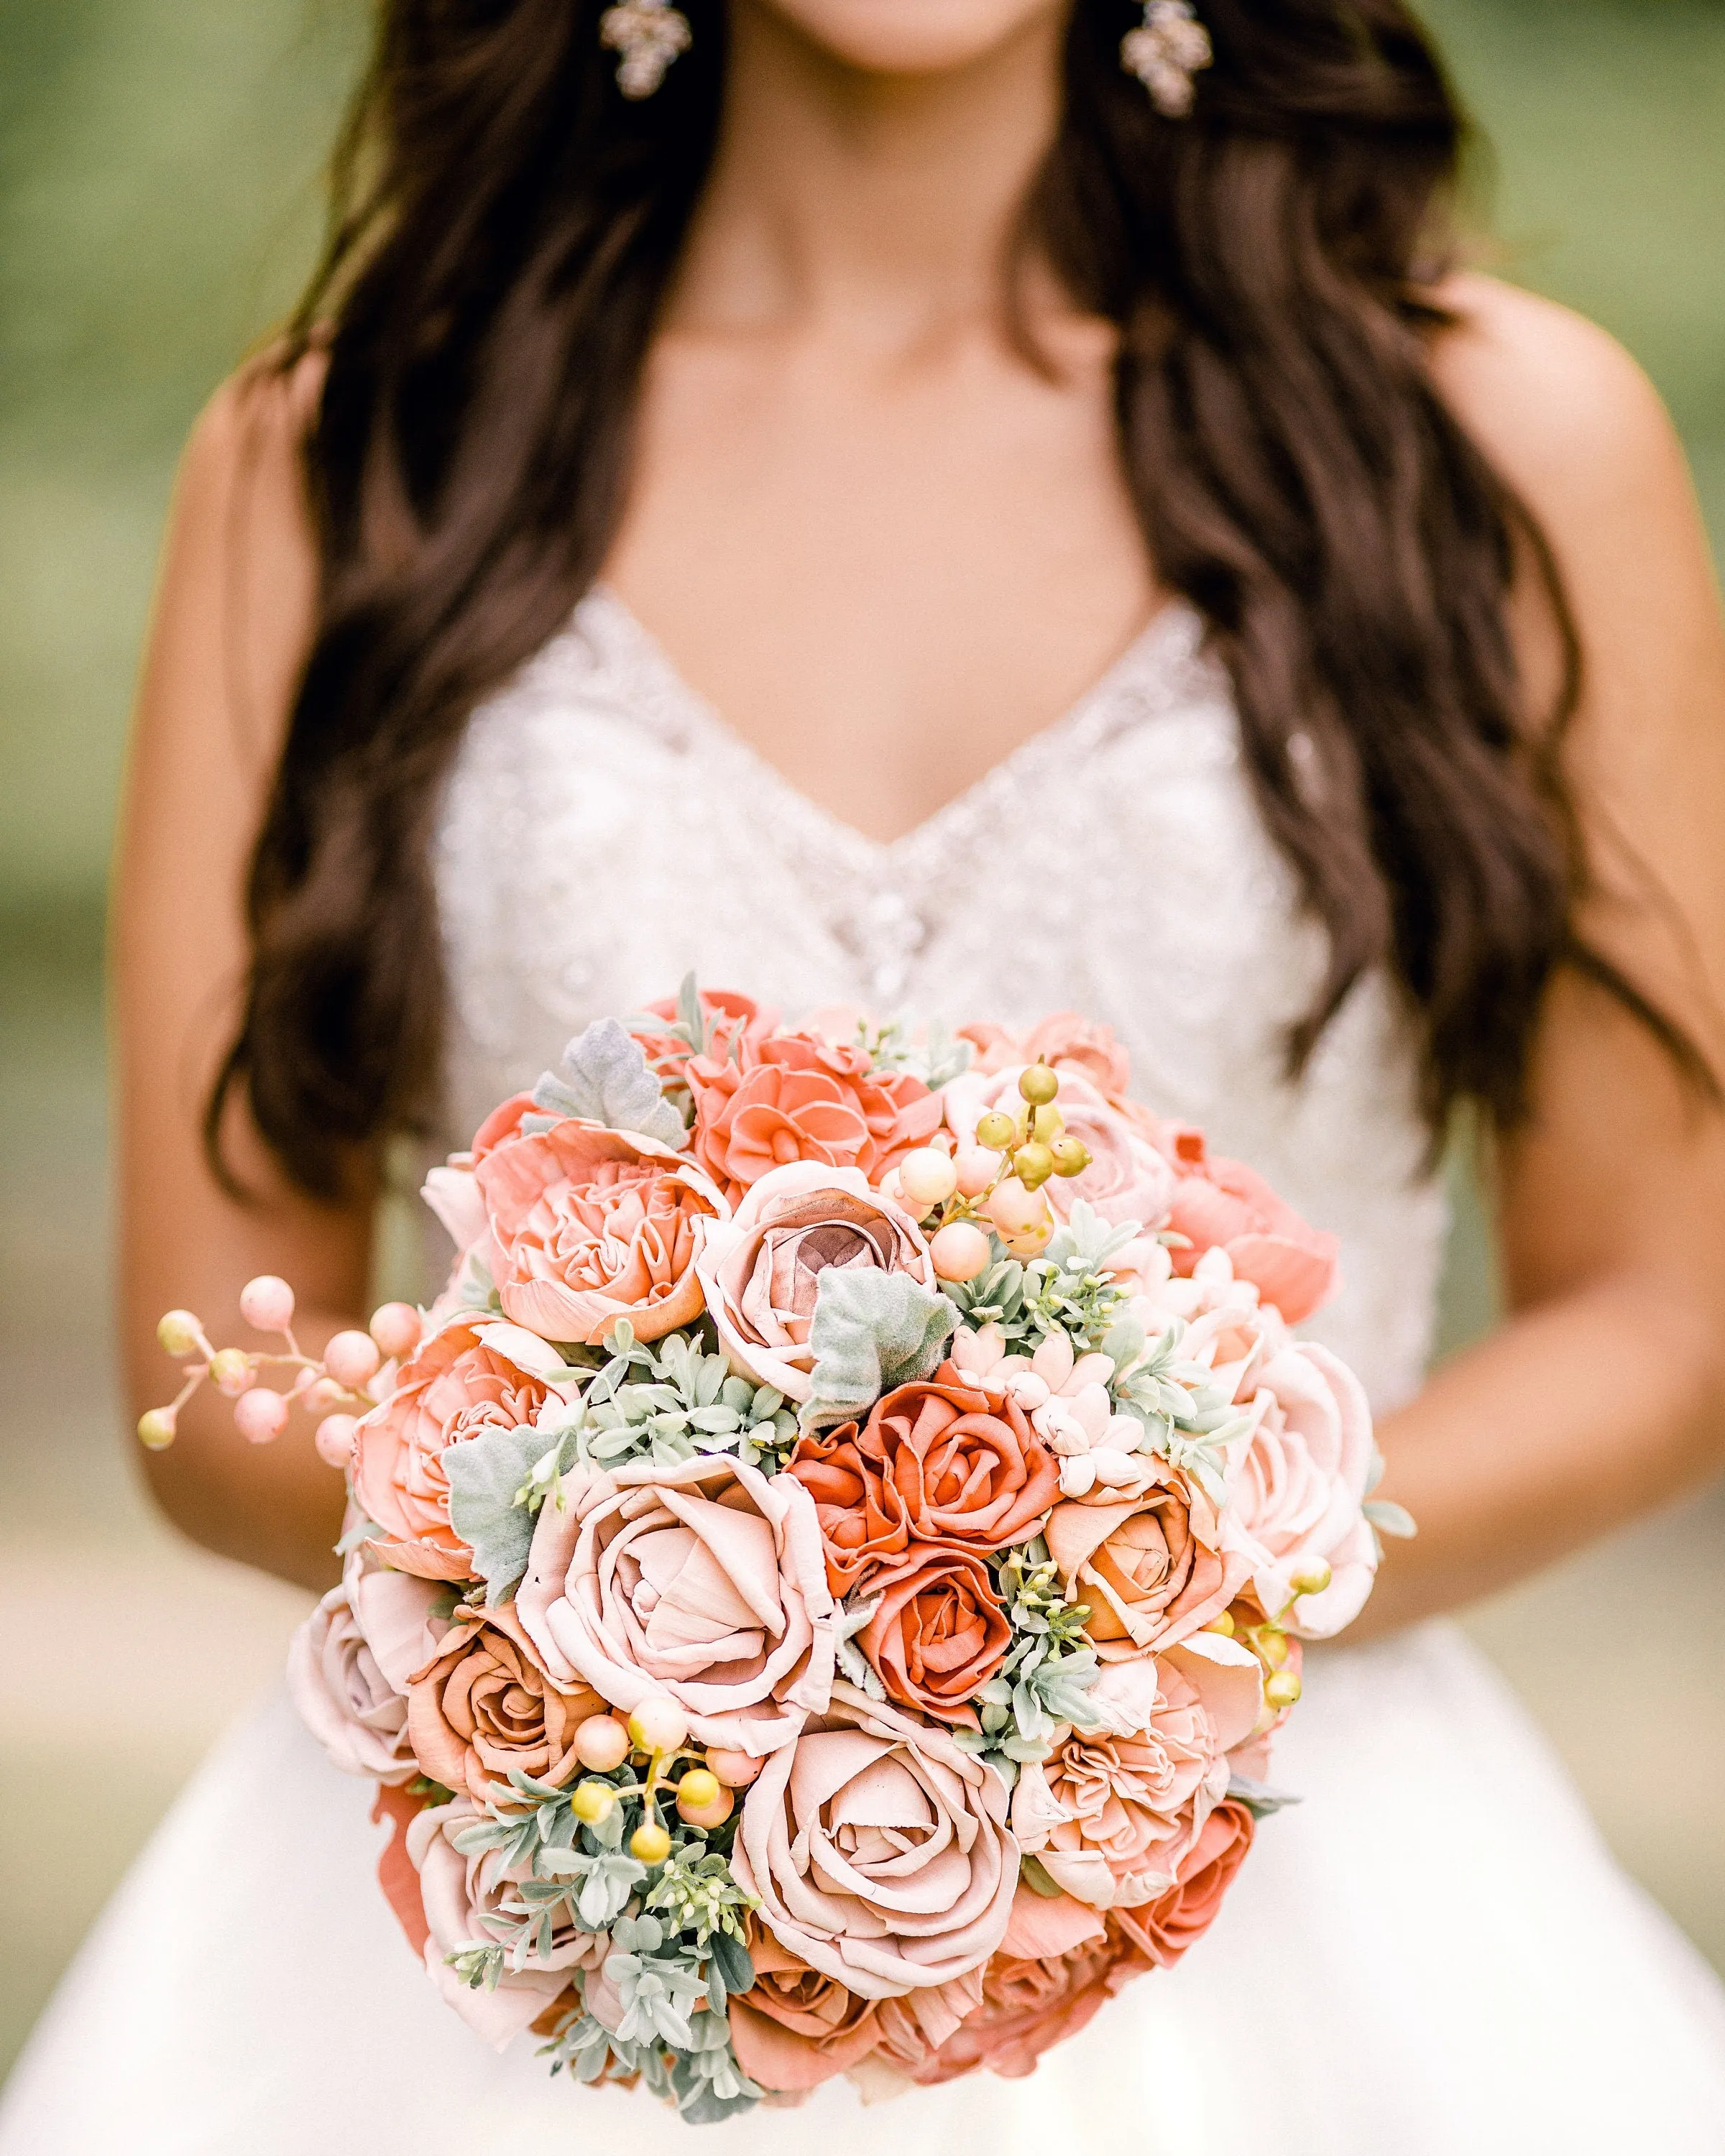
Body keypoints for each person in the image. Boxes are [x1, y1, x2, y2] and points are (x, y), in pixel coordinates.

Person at [6, 0, 1725, 2148]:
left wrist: (1107, 1621)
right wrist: (620, 1603)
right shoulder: (343, 456)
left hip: (1302, 1903)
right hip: (520, 1907)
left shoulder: (1493, 440)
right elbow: (219, 1385)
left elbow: (1661, 1313)